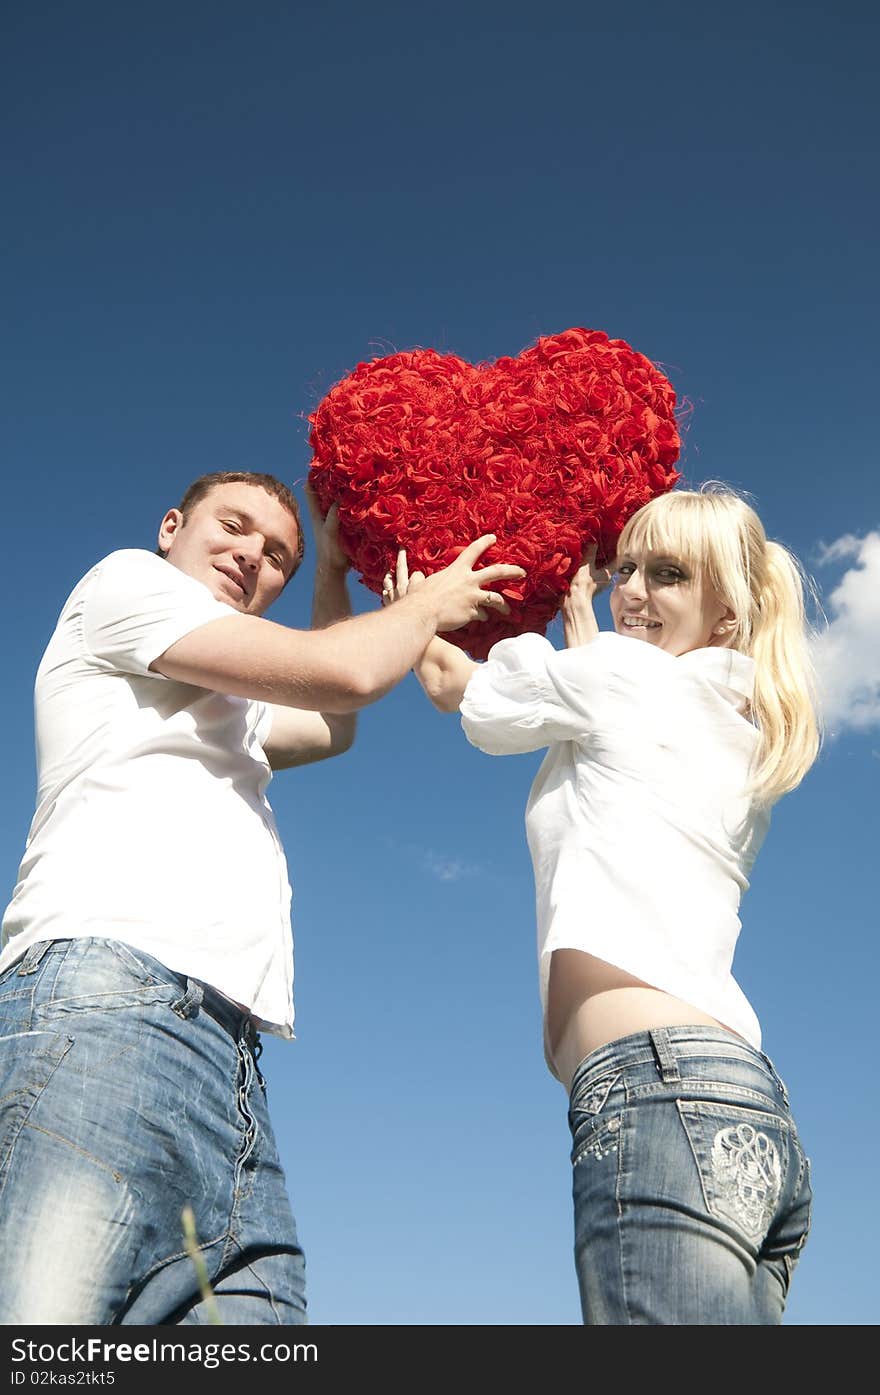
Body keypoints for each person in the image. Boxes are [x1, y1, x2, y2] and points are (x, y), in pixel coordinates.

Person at [0, 469, 525, 1325]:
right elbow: (346, 676)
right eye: (233, 527)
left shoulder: (230, 698)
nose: (252, 555)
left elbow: (330, 723)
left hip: (230, 1068)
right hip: (107, 1010)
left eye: (277, 554)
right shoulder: (125, 583)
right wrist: (429, 604)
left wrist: (329, 575)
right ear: (171, 526)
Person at [383, 484, 820, 1325]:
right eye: (627, 567)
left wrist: (414, 604)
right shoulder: (746, 722)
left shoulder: (621, 679)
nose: (633, 589)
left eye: (667, 573)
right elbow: (607, 716)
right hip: (753, 1116)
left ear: (727, 611)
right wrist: (587, 618)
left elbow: (456, 687)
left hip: (657, 1092)